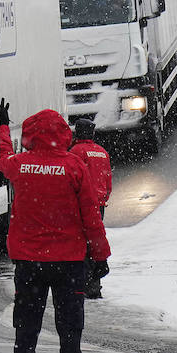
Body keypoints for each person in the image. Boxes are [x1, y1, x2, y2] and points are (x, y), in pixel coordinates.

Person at [0, 96, 111, 353]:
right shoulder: (75, 167)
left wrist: (3, 126)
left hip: (29, 265)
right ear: (63, 133)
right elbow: (91, 216)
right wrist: (100, 256)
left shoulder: (20, 165)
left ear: (30, 134)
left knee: (25, 335)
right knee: (70, 338)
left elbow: (2, 157)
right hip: (69, 265)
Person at [68, 119, 113, 298]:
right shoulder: (102, 152)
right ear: (92, 133)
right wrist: (102, 198)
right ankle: (95, 284)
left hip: (81, 204)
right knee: (95, 242)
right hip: (99, 204)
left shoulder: (75, 152)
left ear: (77, 133)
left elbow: (72, 179)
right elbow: (108, 181)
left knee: (82, 244)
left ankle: (86, 284)